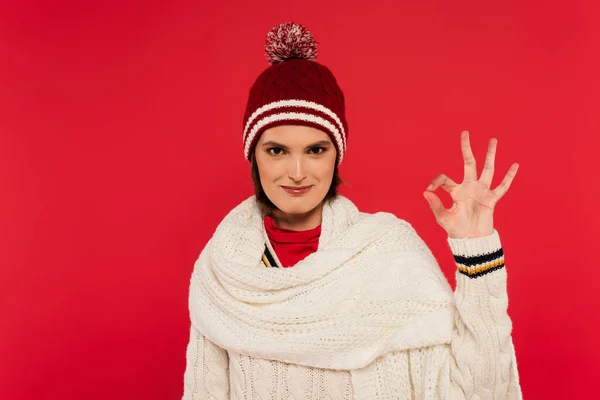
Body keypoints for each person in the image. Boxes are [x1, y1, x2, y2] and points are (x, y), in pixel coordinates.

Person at [182, 21, 522, 400]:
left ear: (336, 155)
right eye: (276, 150)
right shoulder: (224, 274)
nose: (297, 173)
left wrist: (477, 251)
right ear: (254, 155)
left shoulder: (389, 253)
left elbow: (478, 391)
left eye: (316, 150)